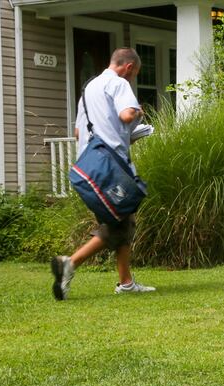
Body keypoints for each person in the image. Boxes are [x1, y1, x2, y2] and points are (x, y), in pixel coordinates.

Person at [51, 47, 155, 300]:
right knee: (123, 218)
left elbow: (79, 133)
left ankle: (126, 282)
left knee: (119, 220)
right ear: (128, 67)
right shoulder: (118, 84)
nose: (132, 78)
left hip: (89, 167)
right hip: (112, 167)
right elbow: (126, 114)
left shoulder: (89, 89)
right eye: (134, 74)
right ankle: (70, 263)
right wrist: (138, 112)